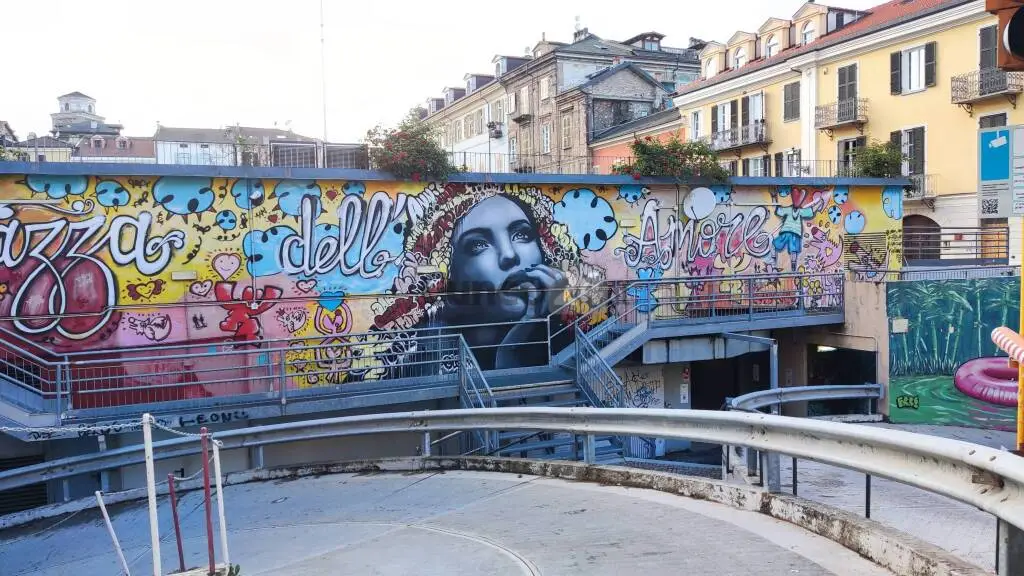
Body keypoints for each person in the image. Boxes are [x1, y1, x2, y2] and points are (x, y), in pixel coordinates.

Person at [373, 183, 587, 371]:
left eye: (521, 235)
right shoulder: (426, 354)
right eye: (478, 244)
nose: (510, 256)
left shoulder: (568, 341)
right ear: (449, 269)